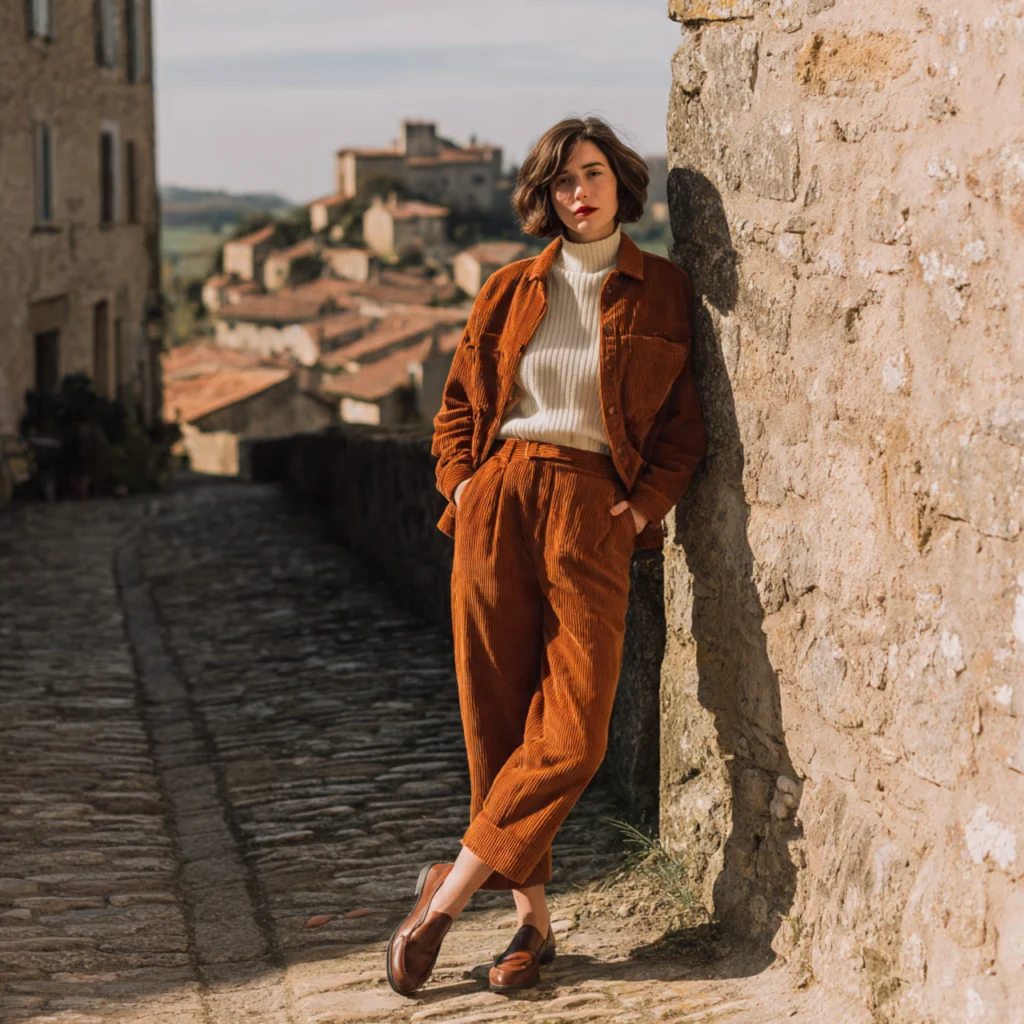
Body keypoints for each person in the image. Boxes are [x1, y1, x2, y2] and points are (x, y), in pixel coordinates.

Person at [386, 115, 706, 997]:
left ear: (622, 184)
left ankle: (441, 903)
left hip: (593, 508)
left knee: (573, 731)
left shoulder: (664, 291)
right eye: (563, 181)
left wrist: (640, 508)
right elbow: (456, 406)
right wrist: (462, 486)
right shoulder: (507, 289)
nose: (580, 192)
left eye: (594, 173)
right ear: (544, 196)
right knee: (496, 719)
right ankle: (532, 926)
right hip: (500, 498)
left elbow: (684, 430)